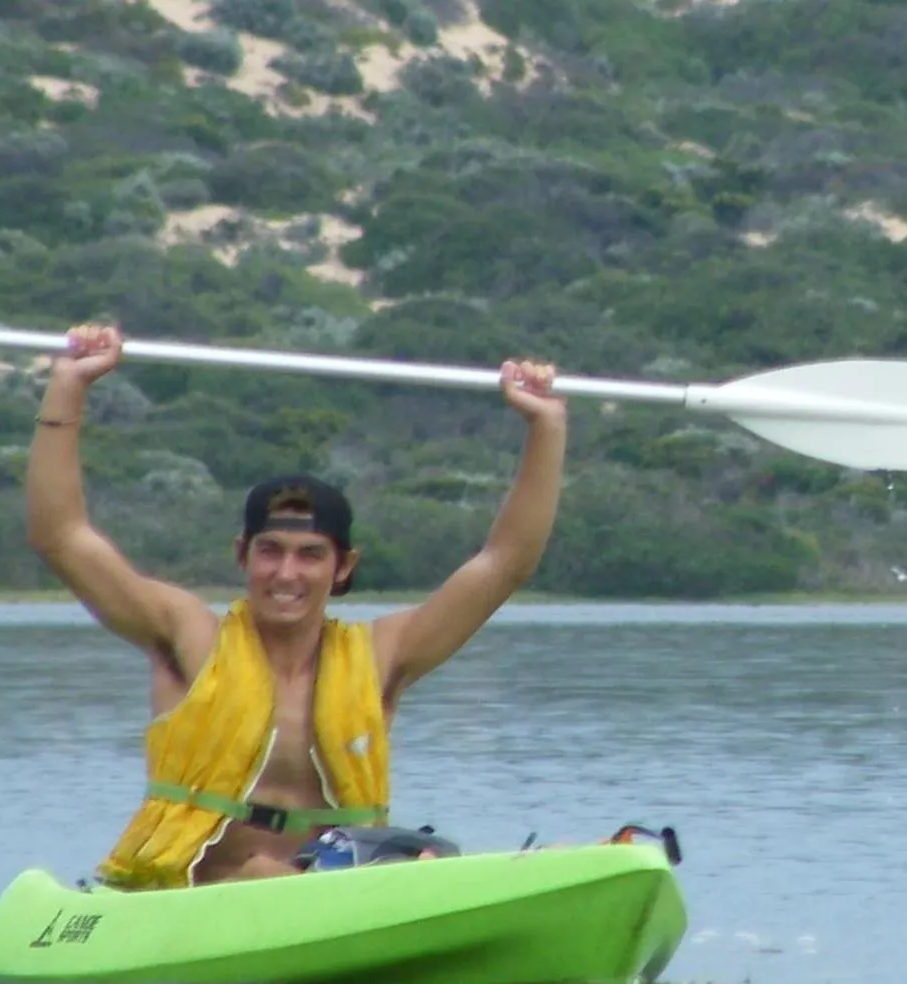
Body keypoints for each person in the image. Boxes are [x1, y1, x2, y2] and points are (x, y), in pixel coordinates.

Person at [28, 323, 567, 890]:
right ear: (242, 554)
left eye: (311, 555)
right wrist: (69, 385)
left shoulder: (383, 654)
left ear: (344, 567)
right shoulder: (188, 634)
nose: (287, 574)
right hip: (198, 893)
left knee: (426, 855)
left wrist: (545, 427)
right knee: (262, 870)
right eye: (271, 552)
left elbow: (504, 563)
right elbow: (61, 536)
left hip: (337, 891)